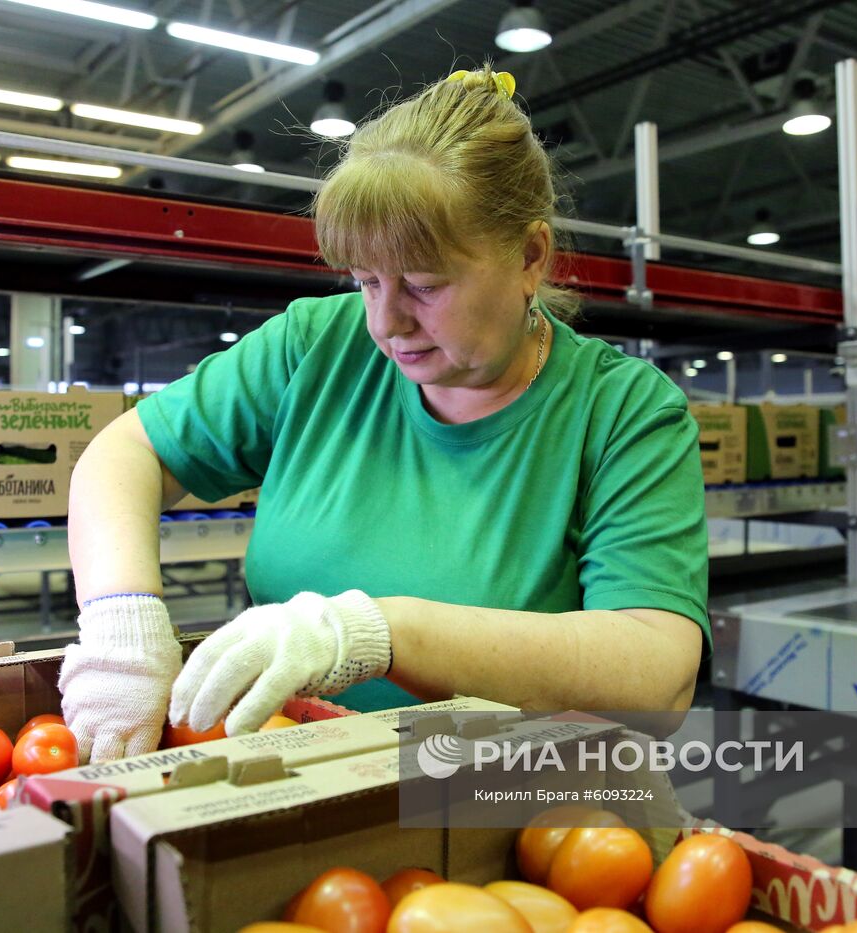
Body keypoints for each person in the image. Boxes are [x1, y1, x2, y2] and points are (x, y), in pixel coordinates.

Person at [58, 65, 708, 765]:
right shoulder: (317, 346)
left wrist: (375, 633)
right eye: (366, 280)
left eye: (424, 285)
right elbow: (126, 452)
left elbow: (656, 673)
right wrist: (120, 618)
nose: (386, 322)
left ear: (529, 255)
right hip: (292, 775)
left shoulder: (623, 414)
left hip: (499, 798)